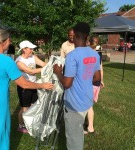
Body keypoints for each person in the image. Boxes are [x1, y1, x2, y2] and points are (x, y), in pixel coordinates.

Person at [0, 29, 54, 150]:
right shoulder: (7, 61)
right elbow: (24, 84)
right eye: (9, 40)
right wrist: (43, 85)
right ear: (4, 42)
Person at [53, 22, 101, 150]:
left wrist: (58, 72)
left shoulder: (72, 56)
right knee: (79, 131)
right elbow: (97, 78)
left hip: (74, 104)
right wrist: (84, 77)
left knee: (74, 140)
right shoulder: (94, 54)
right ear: (87, 36)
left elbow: (67, 84)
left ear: (74, 35)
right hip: (87, 100)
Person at [15, 40, 47, 133]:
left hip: (34, 85)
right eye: (30, 49)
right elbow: (31, 71)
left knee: (33, 106)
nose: (32, 50)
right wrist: (47, 68)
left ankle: (30, 123)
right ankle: (21, 125)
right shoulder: (19, 62)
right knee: (24, 108)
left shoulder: (33, 56)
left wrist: (50, 64)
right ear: (24, 49)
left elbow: (43, 64)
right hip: (24, 87)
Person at [84, 36, 104, 134]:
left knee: (86, 105)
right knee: (90, 105)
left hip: (89, 81)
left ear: (88, 42)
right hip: (96, 82)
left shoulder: (86, 54)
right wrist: (101, 80)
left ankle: (87, 127)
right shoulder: (98, 55)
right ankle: (90, 126)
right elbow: (100, 68)